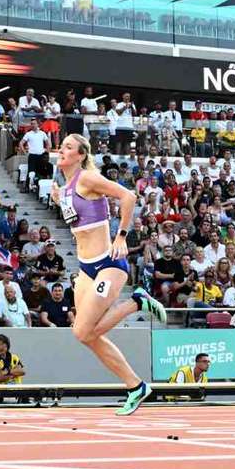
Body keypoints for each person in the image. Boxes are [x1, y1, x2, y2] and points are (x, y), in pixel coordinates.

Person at [50, 133, 166, 416]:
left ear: (80, 155)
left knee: (87, 331)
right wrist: (58, 199)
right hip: (86, 268)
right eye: (61, 146)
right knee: (83, 334)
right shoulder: (63, 188)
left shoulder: (87, 177)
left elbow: (128, 196)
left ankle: (136, 302)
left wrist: (122, 236)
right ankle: (135, 386)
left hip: (108, 264)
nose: (62, 150)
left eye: (68, 147)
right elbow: (78, 222)